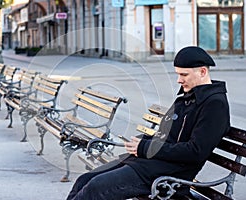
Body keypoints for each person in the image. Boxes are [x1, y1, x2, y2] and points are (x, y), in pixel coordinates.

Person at [66, 46, 230, 200]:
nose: (179, 80)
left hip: (169, 176)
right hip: (149, 164)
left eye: (184, 75)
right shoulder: (187, 98)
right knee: (84, 179)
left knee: (95, 188)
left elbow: (196, 151)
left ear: (202, 72)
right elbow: (166, 135)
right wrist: (140, 143)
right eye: (178, 74)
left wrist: (144, 147)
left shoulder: (214, 104)